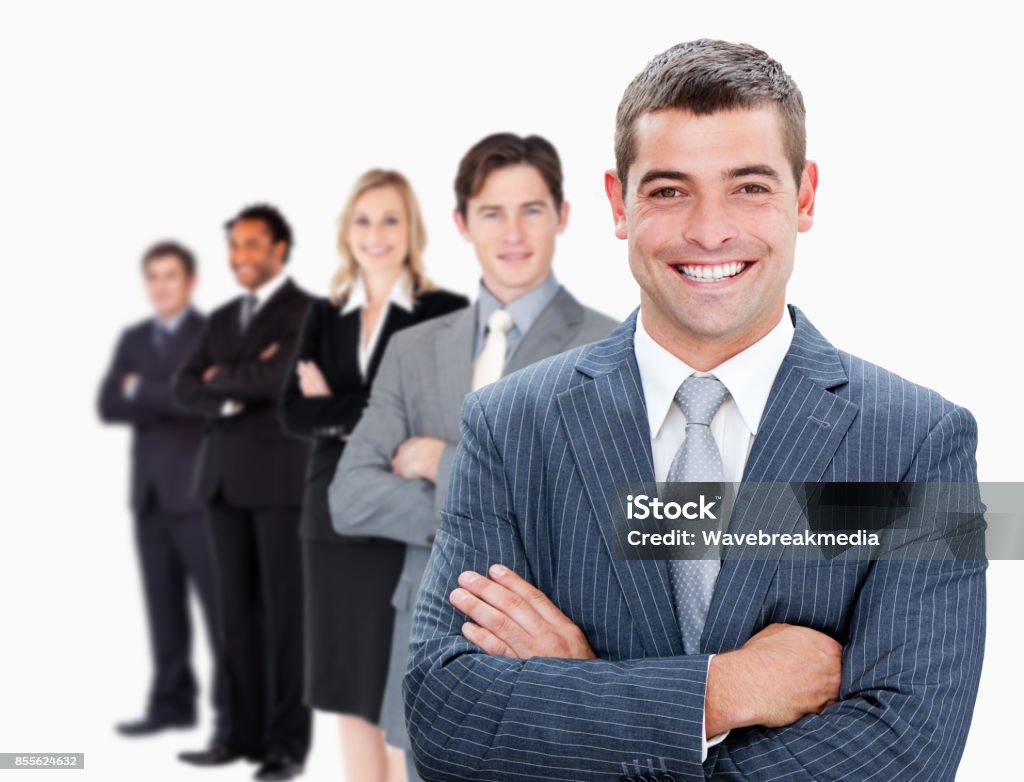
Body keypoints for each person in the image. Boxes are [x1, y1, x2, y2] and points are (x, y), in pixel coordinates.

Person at [403, 40, 987, 781]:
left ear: (804, 197)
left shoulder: (918, 443)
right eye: (670, 190)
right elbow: (446, 723)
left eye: (748, 187)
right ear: (620, 204)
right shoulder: (508, 426)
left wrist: (583, 694)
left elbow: (910, 749)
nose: (710, 230)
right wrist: (720, 693)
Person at [330, 133, 617, 782]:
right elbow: (350, 497)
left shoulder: (612, 347)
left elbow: (585, 507)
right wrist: (500, 504)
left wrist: (442, 461)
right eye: (492, 212)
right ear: (461, 224)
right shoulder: (413, 349)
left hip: (549, 647)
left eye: (532, 209)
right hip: (425, 645)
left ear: (564, 215)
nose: (513, 232)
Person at [278, 169, 468, 782]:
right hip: (329, 524)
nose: (376, 233)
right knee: (345, 693)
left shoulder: (445, 313)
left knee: (397, 695)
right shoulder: (325, 314)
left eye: (390, 219)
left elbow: (445, 414)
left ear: (411, 228)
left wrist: (335, 404)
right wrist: (377, 415)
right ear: (346, 232)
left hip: (403, 524)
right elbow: (292, 410)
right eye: (363, 220)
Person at [174, 205, 313, 782]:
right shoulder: (224, 316)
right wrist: (236, 383)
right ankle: (236, 733)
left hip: (280, 483)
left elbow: (278, 378)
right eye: (234, 247)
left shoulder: (305, 310)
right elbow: (185, 385)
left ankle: (283, 745)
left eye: (252, 246)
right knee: (233, 617)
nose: (240, 258)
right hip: (222, 481)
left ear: (279, 250)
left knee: (284, 618)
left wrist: (222, 381)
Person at [98, 241, 225, 741]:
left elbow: (202, 401)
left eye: (170, 276)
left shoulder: (208, 335)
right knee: (162, 606)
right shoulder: (133, 338)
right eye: (153, 277)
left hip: (195, 494)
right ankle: (171, 703)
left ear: (190, 282)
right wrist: (165, 393)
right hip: (148, 494)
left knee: (219, 610)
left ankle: (233, 715)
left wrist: (142, 390)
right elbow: (108, 403)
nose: (161, 286)